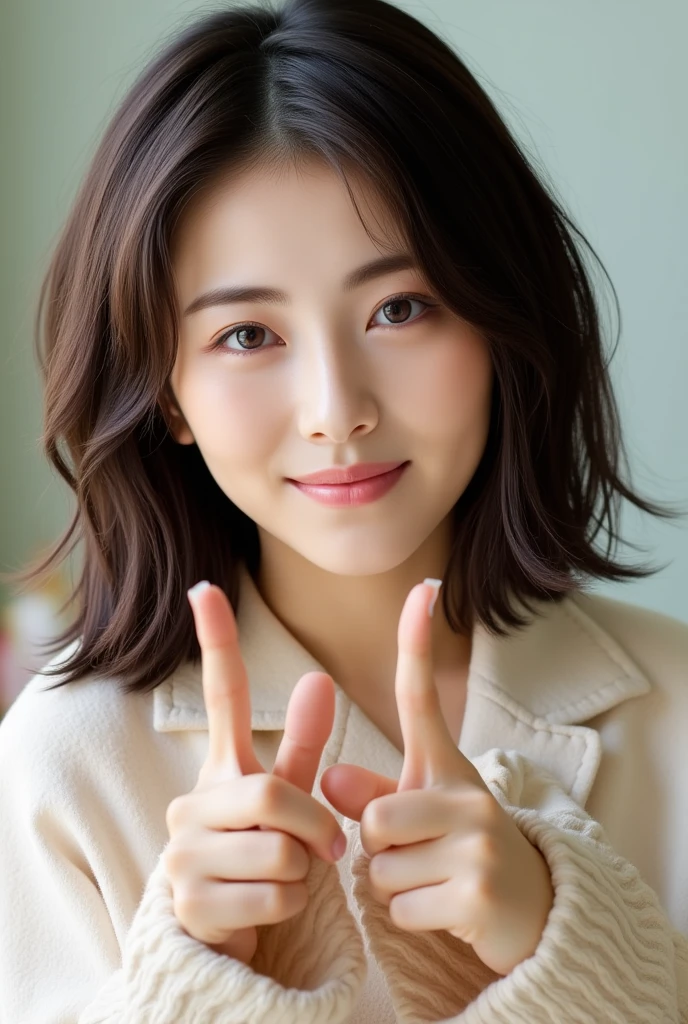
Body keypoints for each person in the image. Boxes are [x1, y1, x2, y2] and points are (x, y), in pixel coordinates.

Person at [0, 0, 686, 1020]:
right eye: (245, 334)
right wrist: (193, 981)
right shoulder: (66, 759)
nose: (337, 411)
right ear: (166, 389)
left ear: (501, 323)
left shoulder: (674, 707)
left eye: (398, 309)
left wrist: (566, 946)